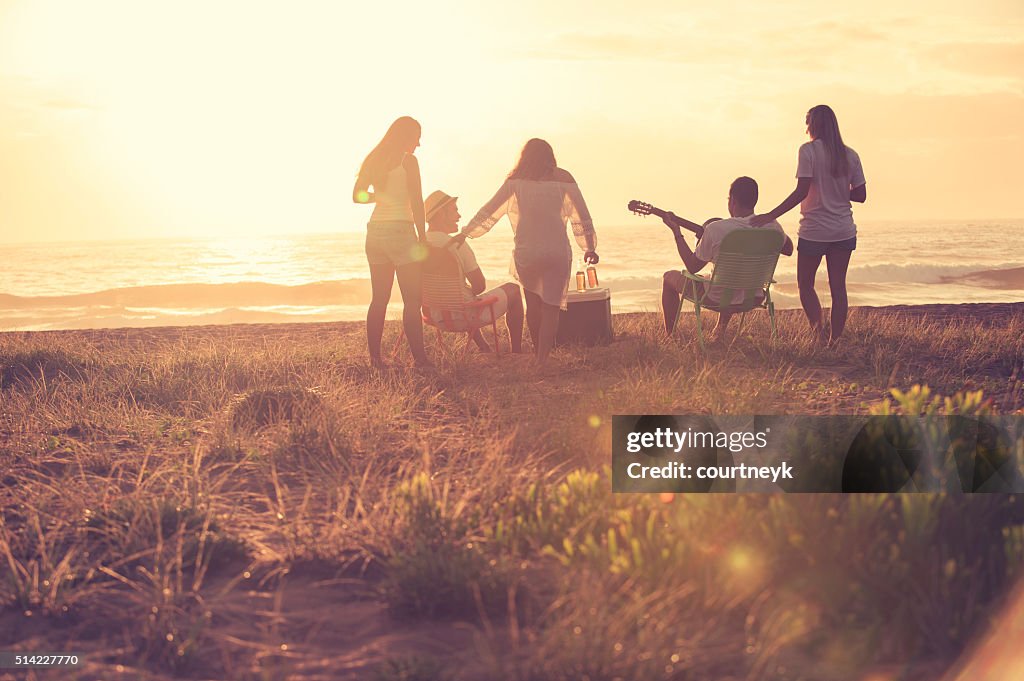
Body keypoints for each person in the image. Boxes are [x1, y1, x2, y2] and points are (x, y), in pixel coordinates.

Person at [451, 139, 598, 367]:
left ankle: (537, 353)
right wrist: (589, 247)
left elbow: (490, 209)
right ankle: (542, 358)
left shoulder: (516, 181)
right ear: (550, 155)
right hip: (556, 250)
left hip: (528, 251)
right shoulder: (564, 178)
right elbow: (582, 215)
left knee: (533, 304)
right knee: (551, 308)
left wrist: (467, 233)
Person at [750, 105, 866, 345]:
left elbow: (801, 191)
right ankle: (834, 341)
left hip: (815, 230)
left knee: (805, 284)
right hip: (843, 230)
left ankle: (818, 333)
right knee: (838, 288)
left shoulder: (808, 151)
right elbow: (861, 195)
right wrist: (837, 190)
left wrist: (770, 215)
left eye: (807, 122)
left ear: (814, 124)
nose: (806, 127)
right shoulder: (851, 155)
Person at [661, 176, 793, 342]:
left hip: (717, 298)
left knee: (669, 278)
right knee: (730, 276)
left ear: (733, 201)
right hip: (755, 297)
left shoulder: (716, 229)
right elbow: (789, 249)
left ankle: (670, 336)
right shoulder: (773, 227)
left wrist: (676, 232)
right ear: (754, 200)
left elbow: (692, 267)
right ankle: (719, 331)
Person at [352, 116, 432, 368]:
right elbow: (417, 202)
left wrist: (379, 196)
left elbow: (357, 196)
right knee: (412, 300)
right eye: (416, 137)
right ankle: (421, 361)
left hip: (375, 232)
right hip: (401, 231)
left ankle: (375, 360)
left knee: (379, 299)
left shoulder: (374, 159)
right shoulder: (408, 161)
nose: (418, 143)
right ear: (406, 136)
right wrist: (423, 237)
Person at [423, 190, 525, 353]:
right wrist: (464, 292)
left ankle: (483, 346)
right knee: (513, 290)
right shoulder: (456, 244)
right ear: (441, 214)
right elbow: (479, 285)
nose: (459, 216)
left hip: (434, 316)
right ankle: (517, 352)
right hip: (463, 317)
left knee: (464, 297)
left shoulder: (419, 245)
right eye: (454, 210)